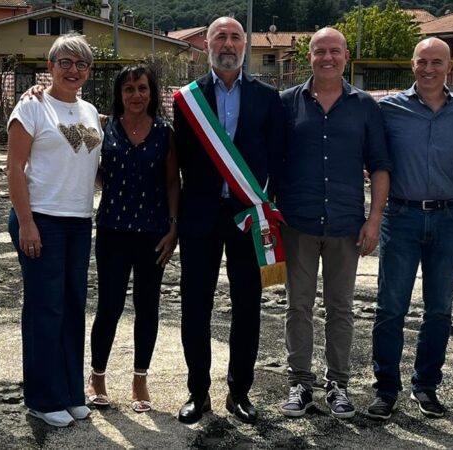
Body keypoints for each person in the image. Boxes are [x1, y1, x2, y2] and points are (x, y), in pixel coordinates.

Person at [172, 17, 284, 425]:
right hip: (200, 216)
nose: (228, 43)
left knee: (248, 306)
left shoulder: (268, 98)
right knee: (194, 306)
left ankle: (240, 392)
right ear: (206, 44)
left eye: (236, 37)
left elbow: (277, 158)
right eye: (221, 36)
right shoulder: (187, 98)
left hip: (248, 219)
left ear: (245, 45)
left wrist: (270, 208)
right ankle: (197, 393)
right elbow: (178, 158)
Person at [277, 27, 391, 419]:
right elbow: (269, 161)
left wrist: (374, 220)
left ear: (346, 56)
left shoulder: (365, 107)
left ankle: (338, 385)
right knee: (298, 306)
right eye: (319, 51)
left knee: (341, 308)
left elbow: (379, 166)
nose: (327, 58)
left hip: (346, 224)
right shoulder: (286, 104)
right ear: (309, 57)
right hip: (297, 223)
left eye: (335, 51)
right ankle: (300, 384)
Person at [366, 38, 453, 421]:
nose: (429, 69)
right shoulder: (389, 110)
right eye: (422, 62)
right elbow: (370, 158)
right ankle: (385, 390)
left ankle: (426, 386)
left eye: (437, 62)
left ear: (449, 67)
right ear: (412, 65)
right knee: (391, 307)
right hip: (401, 217)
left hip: (448, 218)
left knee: (440, 309)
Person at [6, 33, 102, 427]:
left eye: (81, 64)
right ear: (49, 67)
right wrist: (26, 222)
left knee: (73, 308)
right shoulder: (31, 107)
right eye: (65, 62)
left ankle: (70, 392)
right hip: (41, 219)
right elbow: (13, 169)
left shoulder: (91, 111)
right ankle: (43, 399)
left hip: (79, 222)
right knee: (46, 310)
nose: (73, 70)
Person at [85, 65, 180, 413]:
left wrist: (173, 226)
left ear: (152, 92)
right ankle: (97, 376)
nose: (136, 95)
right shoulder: (103, 127)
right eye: (129, 89)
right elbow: (89, 168)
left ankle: (140, 380)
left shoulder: (165, 133)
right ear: (119, 94)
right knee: (108, 306)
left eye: (142, 88)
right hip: (112, 230)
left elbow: (172, 182)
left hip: (154, 233)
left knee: (147, 307)